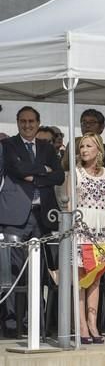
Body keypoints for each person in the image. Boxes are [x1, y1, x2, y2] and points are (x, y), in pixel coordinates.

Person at [0, 106, 64, 335]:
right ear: (17, 122)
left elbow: (58, 175)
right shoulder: (8, 145)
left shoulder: (47, 147)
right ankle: (11, 322)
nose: (27, 125)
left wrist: (35, 174)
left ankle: (34, 321)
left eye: (31, 121)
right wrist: (42, 171)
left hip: (42, 216)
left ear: (38, 123)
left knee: (38, 272)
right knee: (13, 271)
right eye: (23, 121)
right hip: (14, 217)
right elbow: (16, 169)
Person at [66, 133, 105, 344]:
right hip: (82, 225)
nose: (84, 150)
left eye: (89, 146)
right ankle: (81, 325)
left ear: (98, 149)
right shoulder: (75, 174)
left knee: (96, 278)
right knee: (81, 278)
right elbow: (69, 205)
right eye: (82, 146)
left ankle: (93, 322)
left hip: (103, 226)